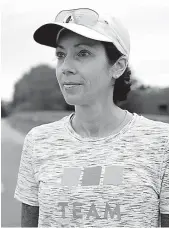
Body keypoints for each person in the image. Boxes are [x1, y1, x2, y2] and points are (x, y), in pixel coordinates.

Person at [14, 8, 169, 227]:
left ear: (117, 66)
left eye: (82, 53)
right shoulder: (38, 141)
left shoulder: (161, 143)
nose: (65, 67)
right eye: (60, 55)